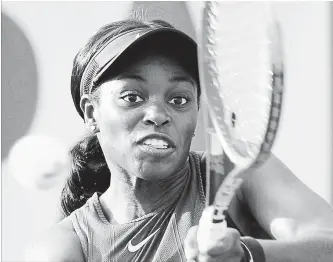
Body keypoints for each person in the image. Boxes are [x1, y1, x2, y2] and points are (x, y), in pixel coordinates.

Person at [26, 19, 333, 262]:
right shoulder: (63, 249)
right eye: (132, 97)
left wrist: (246, 253)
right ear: (91, 113)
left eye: (179, 99)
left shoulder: (234, 172)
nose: (158, 114)